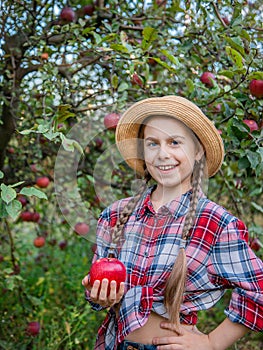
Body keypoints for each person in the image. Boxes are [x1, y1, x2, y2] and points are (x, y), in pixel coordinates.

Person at [82, 96, 263, 350]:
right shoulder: (114, 215)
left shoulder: (214, 223)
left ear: (198, 150)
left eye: (174, 142)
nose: (162, 154)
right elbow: (99, 293)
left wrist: (212, 343)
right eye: (152, 144)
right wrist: (99, 295)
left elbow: (259, 289)